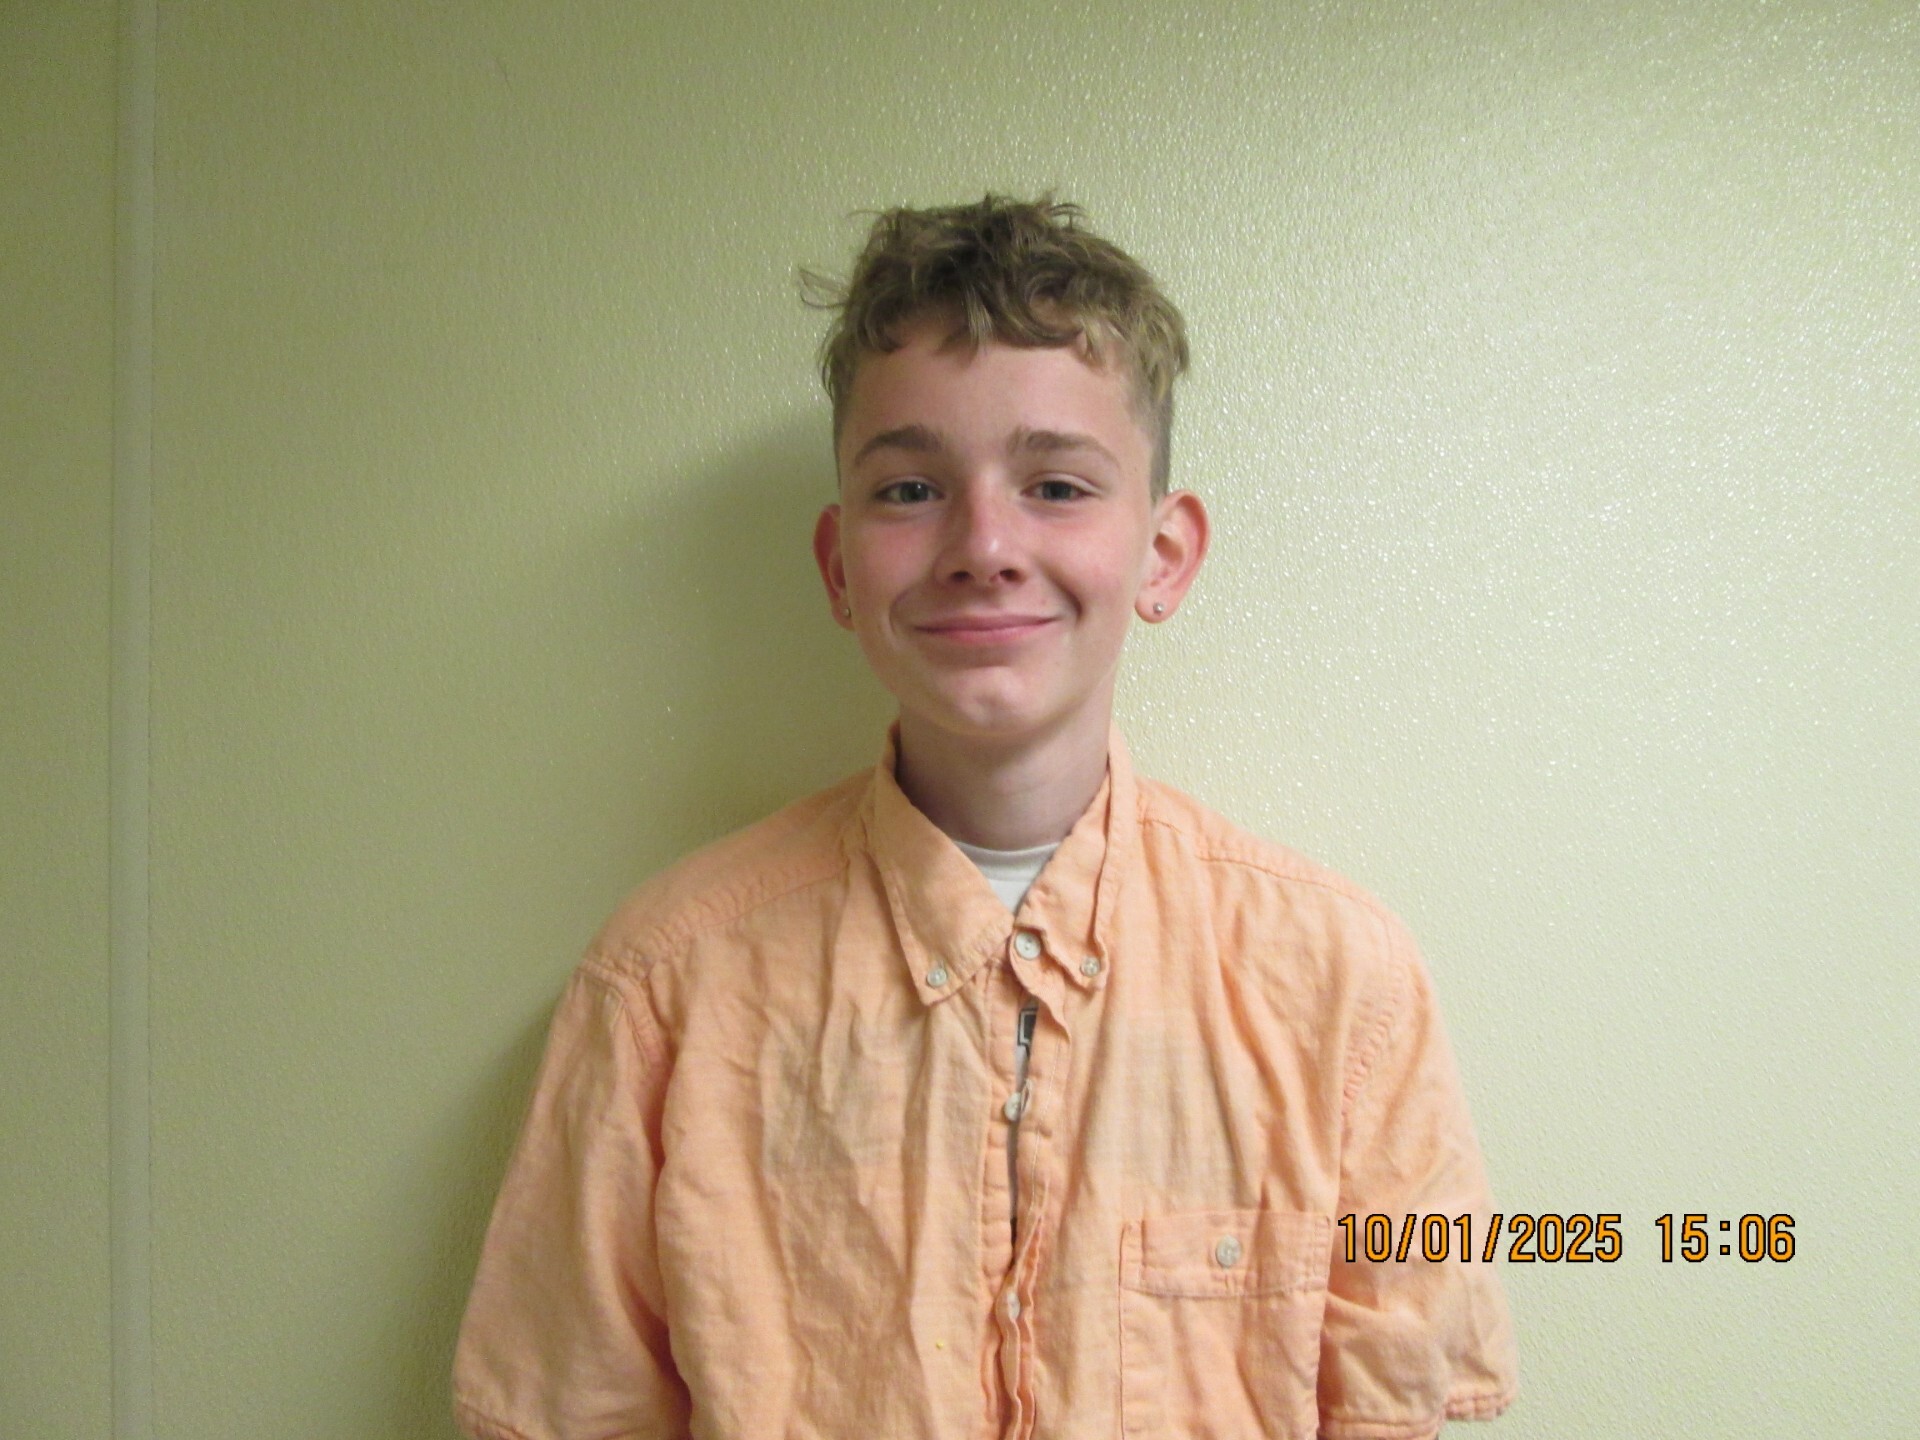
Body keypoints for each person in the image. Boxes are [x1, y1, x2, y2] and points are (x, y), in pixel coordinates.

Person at [451, 194, 1517, 1440]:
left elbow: (1394, 1402)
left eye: (1056, 485)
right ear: (840, 566)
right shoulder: (667, 991)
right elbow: (571, 1408)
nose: (985, 545)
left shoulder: (1340, 986)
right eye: (910, 488)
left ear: (1164, 555)